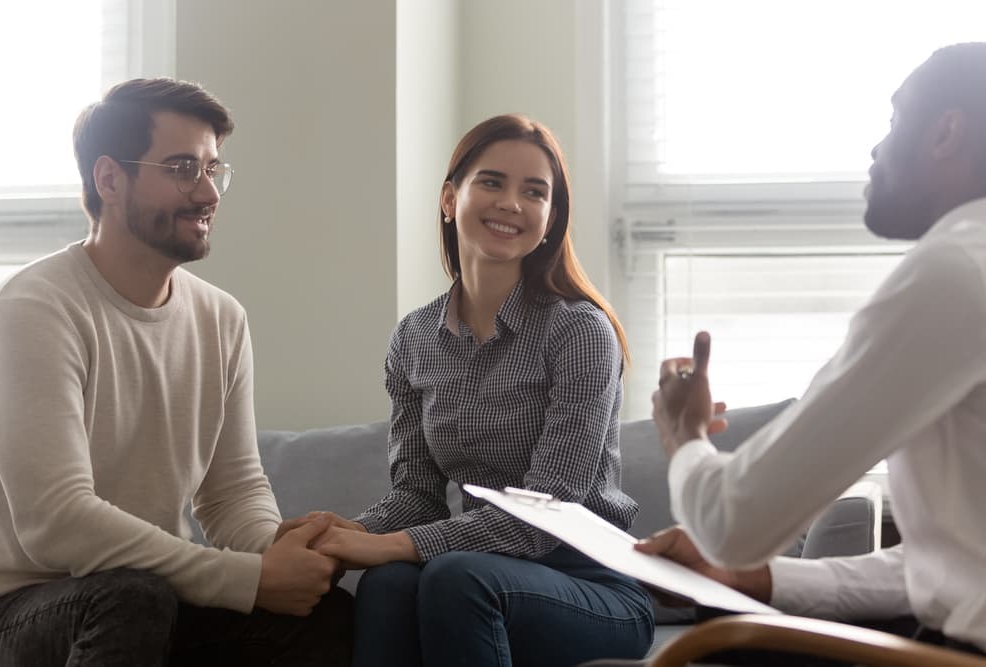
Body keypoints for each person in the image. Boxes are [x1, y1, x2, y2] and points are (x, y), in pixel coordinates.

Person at [0, 78, 352, 665]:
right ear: (109, 179)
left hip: (146, 594)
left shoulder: (221, 318)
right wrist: (244, 578)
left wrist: (277, 552)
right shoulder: (33, 311)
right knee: (133, 597)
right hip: (17, 608)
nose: (207, 192)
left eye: (213, 169)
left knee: (321, 614)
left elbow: (231, 493)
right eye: (183, 168)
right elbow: (55, 522)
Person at [645, 42, 986, 662]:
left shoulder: (954, 270)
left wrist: (683, 433)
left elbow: (730, 526)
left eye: (893, 120)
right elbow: (961, 565)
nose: (877, 150)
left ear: (946, 133)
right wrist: (771, 580)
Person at [311, 114, 655, 667]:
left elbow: (551, 510)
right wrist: (344, 531)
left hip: (594, 586)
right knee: (388, 584)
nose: (511, 203)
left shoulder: (580, 332)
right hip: (475, 568)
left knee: (452, 577)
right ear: (450, 199)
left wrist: (388, 546)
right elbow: (417, 495)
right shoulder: (414, 338)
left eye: (534, 192)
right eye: (492, 182)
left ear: (549, 219)